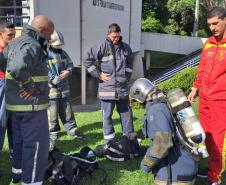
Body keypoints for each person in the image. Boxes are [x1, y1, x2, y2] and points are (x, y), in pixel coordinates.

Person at [0, 15, 54, 185]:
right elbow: (16, 67)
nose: (50, 38)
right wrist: (28, 83)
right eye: (49, 34)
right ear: (40, 30)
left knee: (19, 142)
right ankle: (31, 182)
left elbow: (3, 63)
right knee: (37, 146)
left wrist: (17, 85)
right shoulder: (32, 44)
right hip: (32, 106)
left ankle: (18, 176)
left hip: (16, 105)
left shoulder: (15, 42)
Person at [130, 78, 198, 185]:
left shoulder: (156, 110)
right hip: (186, 169)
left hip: (174, 176)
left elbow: (162, 144)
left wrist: (146, 164)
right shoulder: (165, 103)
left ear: (142, 97)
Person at [188, 7, 226, 185]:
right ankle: (212, 166)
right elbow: (202, 68)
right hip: (204, 100)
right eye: (210, 24)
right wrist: (195, 88)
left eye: (215, 23)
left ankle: (215, 179)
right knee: (207, 136)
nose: (212, 28)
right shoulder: (209, 43)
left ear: (225, 20)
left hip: (221, 102)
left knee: (219, 141)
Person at [83, 23, 134, 142]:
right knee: (107, 116)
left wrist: (127, 75)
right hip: (107, 89)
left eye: (118, 36)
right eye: (113, 37)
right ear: (108, 34)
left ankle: (129, 138)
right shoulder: (101, 47)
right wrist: (98, 74)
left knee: (126, 114)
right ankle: (110, 140)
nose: (116, 39)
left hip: (122, 88)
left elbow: (130, 62)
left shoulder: (126, 48)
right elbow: (87, 61)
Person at [47, 30, 84, 141]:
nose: (58, 47)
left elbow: (70, 64)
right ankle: (53, 132)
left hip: (64, 90)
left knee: (67, 111)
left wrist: (69, 71)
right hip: (52, 91)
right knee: (52, 113)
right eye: (57, 45)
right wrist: (57, 82)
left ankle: (72, 130)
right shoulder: (46, 55)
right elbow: (47, 73)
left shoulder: (63, 53)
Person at [0, 19, 15, 177]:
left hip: (12, 87)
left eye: (14, 35)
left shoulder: (12, 50)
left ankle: (14, 153)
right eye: (10, 35)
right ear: (0, 34)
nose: (13, 38)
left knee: (13, 123)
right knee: (1, 124)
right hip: (2, 86)